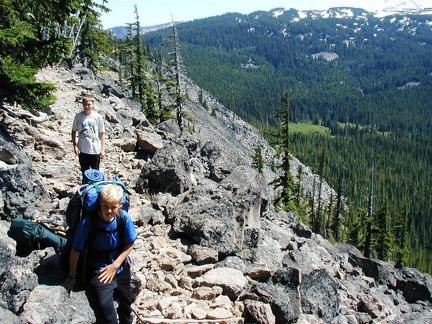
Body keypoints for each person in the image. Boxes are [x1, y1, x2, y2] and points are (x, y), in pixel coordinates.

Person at [64, 184, 137, 324]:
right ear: (100, 203)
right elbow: (76, 250)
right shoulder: (89, 222)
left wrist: (115, 266)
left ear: (120, 205)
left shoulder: (123, 218)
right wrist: (72, 276)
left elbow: (130, 244)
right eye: (105, 206)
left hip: (119, 265)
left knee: (126, 304)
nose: (109, 211)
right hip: (98, 268)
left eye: (113, 207)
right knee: (106, 309)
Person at [71, 94, 106, 173]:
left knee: (95, 173)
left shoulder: (97, 117)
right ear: (82, 105)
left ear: (93, 105)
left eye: (89, 104)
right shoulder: (78, 117)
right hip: (82, 150)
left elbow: (102, 133)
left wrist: (102, 149)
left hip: (95, 150)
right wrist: (75, 145)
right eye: (85, 105)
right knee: (85, 172)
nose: (87, 106)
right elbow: (74, 131)